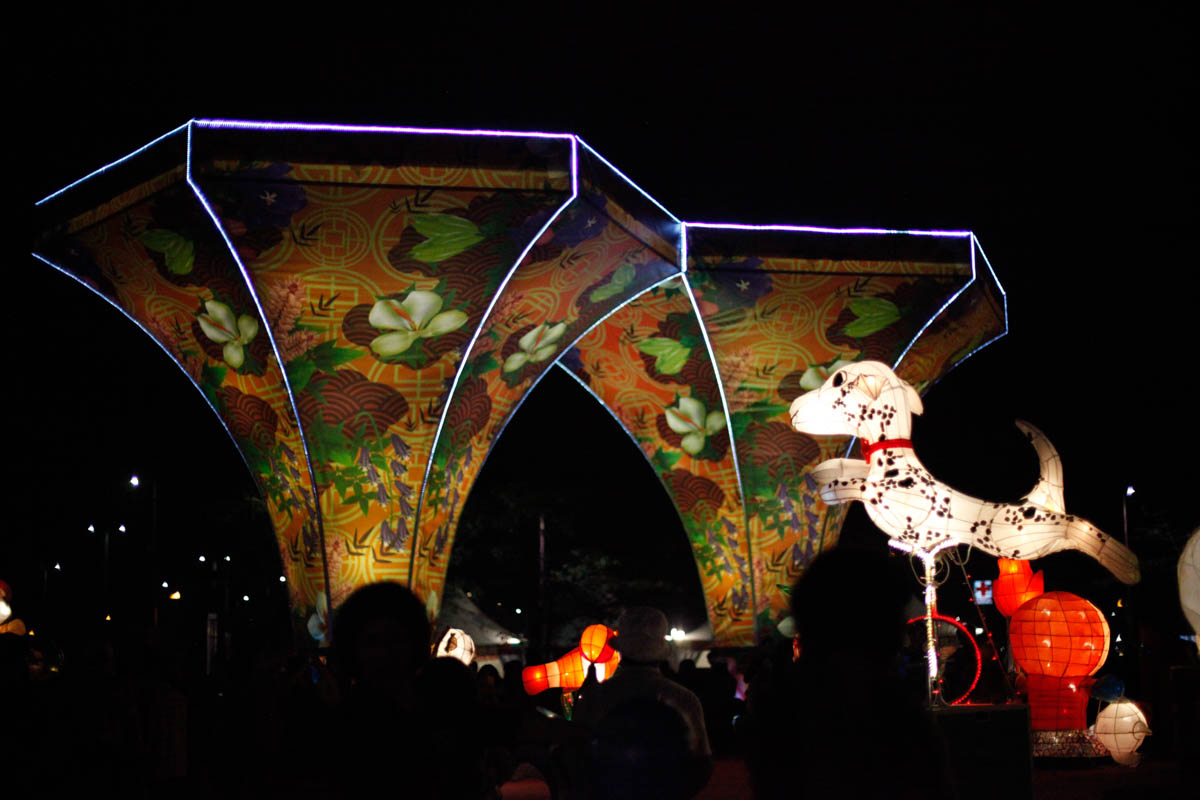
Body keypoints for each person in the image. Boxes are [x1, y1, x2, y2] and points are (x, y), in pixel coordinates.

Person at [573, 606, 712, 797]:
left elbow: (578, 757)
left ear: (620, 650)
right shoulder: (683, 698)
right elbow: (701, 763)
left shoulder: (596, 695)